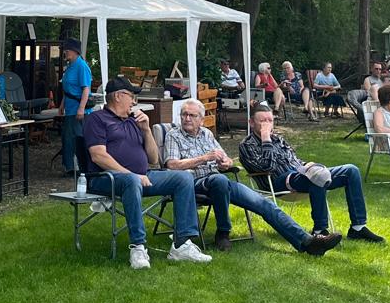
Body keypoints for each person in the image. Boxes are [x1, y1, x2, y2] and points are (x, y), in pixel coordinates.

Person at [161, 100, 340, 255]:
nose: (187, 118)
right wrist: (205, 158)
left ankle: (308, 242)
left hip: (220, 182)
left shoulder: (206, 134)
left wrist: (226, 163)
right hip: (191, 184)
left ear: (201, 119)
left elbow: (226, 159)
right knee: (220, 180)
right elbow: (172, 164)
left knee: (264, 204)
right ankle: (223, 233)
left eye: (192, 115)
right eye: (184, 114)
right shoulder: (173, 136)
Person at [82, 77, 211, 268]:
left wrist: (146, 130)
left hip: (142, 176)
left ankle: (182, 245)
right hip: (105, 179)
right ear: (118, 96)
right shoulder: (96, 119)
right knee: (131, 181)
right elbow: (98, 156)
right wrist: (131, 174)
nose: (134, 102)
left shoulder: (135, 121)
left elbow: (153, 159)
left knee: (183, 178)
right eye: (131, 96)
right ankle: (138, 247)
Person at [239, 106, 385, 242]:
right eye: (262, 121)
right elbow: (267, 167)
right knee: (315, 176)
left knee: (351, 170)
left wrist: (307, 166)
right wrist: (266, 140)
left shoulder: (279, 139)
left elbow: (294, 160)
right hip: (277, 182)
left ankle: (357, 228)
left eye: (270, 120)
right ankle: (319, 230)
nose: (267, 124)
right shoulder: (246, 145)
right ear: (251, 123)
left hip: (300, 174)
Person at [56, 38, 94, 174]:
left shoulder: (82, 66)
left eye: (67, 50)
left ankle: (79, 166)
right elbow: (68, 88)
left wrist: (81, 108)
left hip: (78, 108)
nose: (65, 53)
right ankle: (70, 167)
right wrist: (62, 104)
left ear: (75, 51)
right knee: (68, 137)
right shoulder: (70, 66)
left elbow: (85, 88)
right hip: (70, 107)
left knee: (77, 137)